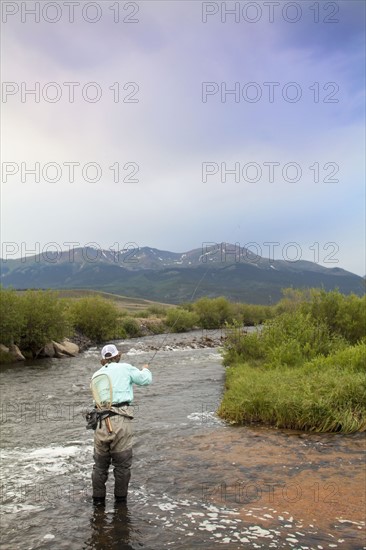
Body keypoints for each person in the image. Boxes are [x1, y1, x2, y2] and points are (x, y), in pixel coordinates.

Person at [90, 343, 152, 505]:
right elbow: (145, 380)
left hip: (100, 423)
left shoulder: (96, 375)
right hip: (120, 421)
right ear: (118, 356)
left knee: (100, 466)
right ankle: (121, 503)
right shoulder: (125, 367)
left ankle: (98, 503)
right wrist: (145, 368)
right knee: (122, 465)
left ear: (103, 360)